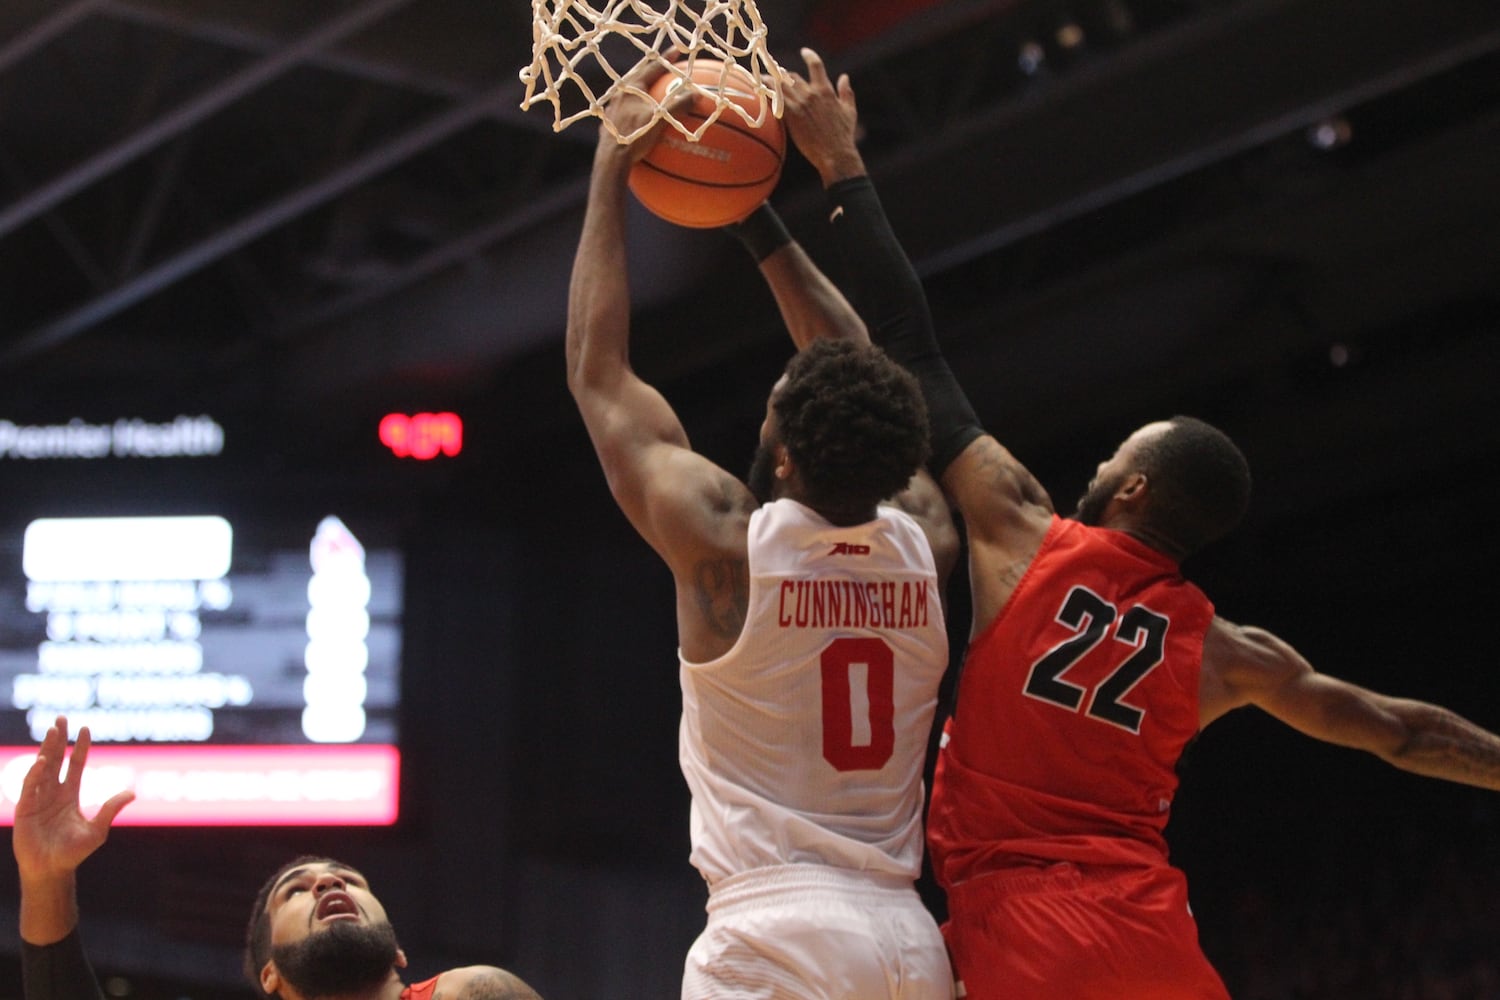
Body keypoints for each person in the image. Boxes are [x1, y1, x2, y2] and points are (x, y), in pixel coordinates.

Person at [780, 45, 1500, 1000]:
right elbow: (1395, 732)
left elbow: (912, 346)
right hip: (1148, 932)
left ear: (1132, 490)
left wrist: (842, 171)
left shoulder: (1022, 531)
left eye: (1117, 454)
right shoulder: (1233, 654)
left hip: (1022, 919)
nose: (1100, 460)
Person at [565, 51, 960, 1000]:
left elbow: (598, 373)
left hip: (774, 928)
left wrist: (611, 169)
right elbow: (862, 368)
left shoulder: (728, 546)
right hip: (907, 936)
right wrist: (751, 212)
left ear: (782, 456)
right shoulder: (926, 536)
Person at [12, 715, 543, 1000]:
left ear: (398, 952)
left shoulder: (469, 993)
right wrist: (46, 878)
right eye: (295, 889)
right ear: (271, 977)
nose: (326, 885)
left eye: (349, 880)